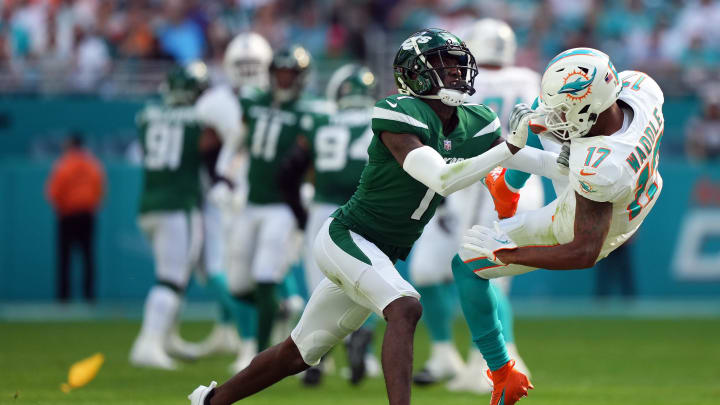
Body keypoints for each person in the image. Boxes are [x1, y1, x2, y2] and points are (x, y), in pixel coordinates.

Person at [189, 28, 565, 405]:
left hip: (381, 251)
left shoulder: (475, 121)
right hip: (348, 237)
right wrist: (511, 146)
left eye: (457, 61)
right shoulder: (398, 112)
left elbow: (529, 159)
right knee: (406, 306)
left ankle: (210, 400)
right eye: (443, 62)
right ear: (415, 73)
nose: (455, 70)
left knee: (297, 353)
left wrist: (574, 169)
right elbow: (442, 178)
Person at [454, 48, 664, 403]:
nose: (556, 117)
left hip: (589, 220)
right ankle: (505, 186)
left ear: (590, 107)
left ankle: (503, 373)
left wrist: (508, 254)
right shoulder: (640, 88)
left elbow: (584, 252)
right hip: (625, 180)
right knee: (536, 117)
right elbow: (576, 130)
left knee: (467, 263)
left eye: (564, 110)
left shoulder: (600, 170)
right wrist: (558, 125)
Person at [408, 18, 544, 389]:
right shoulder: (531, 79)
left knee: (482, 272)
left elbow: (454, 137)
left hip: (476, 182)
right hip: (523, 181)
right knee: (462, 272)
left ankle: (498, 363)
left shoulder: (466, 83)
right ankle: (448, 356)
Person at [276, 63, 379, 385]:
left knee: (318, 288)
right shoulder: (381, 119)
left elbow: (289, 170)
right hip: (366, 210)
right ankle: (359, 335)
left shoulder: (319, 120)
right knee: (364, 284)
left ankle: (314, 359)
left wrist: (300, 214)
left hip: (325, 211)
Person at [225, 44, 325, 359]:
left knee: (266, 275)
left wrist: (308, 190)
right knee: (238, 284)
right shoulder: (253, 102)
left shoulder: (309, 112)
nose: (282, 80)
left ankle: (257, 353)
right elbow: (236, 142)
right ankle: (281, 309)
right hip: (252, 201)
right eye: (278, 73)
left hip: (282, 207)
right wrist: (223, 174)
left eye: (288, 74)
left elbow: (315, 158)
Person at [188, 32, 274, 368]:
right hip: (234, 191)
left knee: (256, 271)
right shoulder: (216, 103)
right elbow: (210, 148)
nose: (249, 69)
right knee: (240, 270)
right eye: (244, 63)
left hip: (265, 191)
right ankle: (237, 334)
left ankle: (255, 341)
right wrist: (219, 182)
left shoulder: (272, 100)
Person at [129, 62, 216, 370]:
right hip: (178, 205)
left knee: (175, 275)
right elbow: (208, 142)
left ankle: (166, 337)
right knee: (171, 278)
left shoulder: (148, 114)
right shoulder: (198, 118)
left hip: (149, 204)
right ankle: (148, 343)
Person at [46, 133, 105, 303]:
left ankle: (64, 297)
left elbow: (54, 191)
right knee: (88, 257)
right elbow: (99, 189)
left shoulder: (64, 164)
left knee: (65, 258)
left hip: (67, 215)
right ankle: (89, 296)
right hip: (87, 214)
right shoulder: (92, 164)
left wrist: (63, 206)